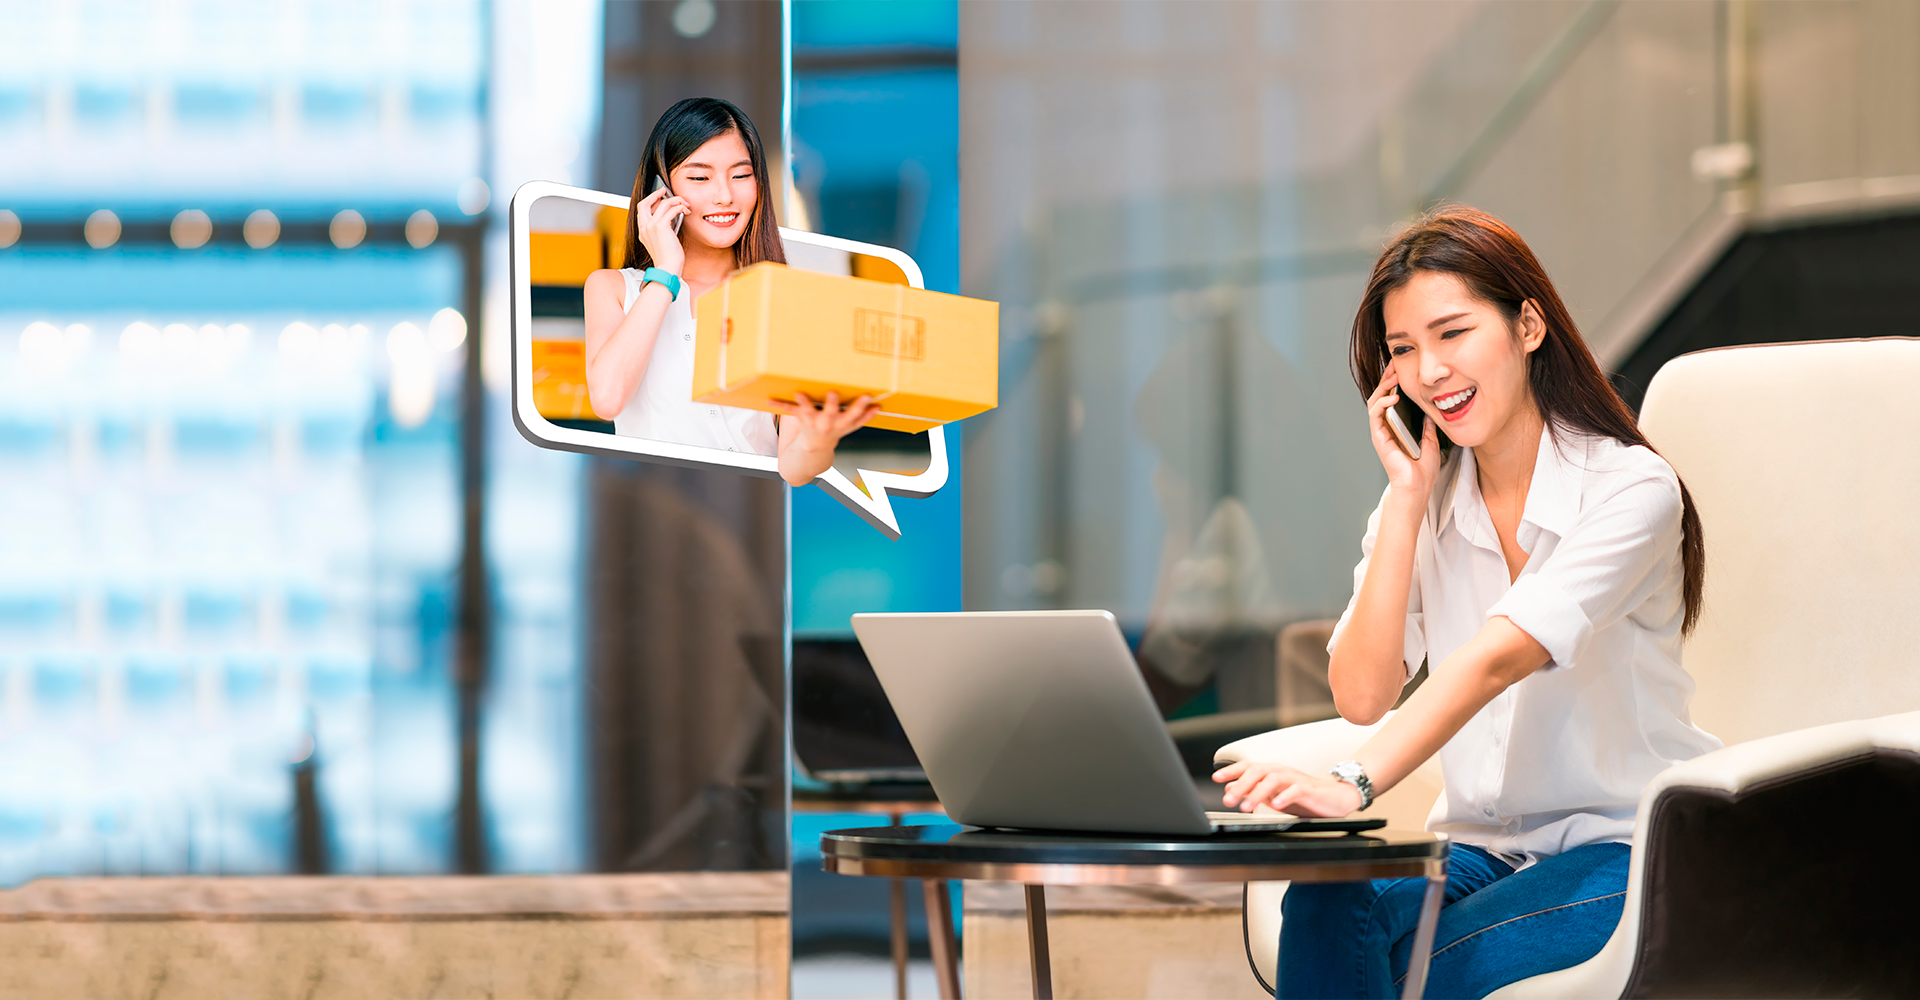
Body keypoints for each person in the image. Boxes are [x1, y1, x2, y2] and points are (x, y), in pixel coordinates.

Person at [1210, 207, 1722, 999]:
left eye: (1452, 333)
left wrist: (1354, 782)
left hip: (1626, 848)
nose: (1431, 371)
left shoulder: (1629, 489)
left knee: (1421, 974)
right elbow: (1363, 692)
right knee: (1328, 904)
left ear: (1527, 324)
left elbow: (1495, 658)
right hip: (1481, 852)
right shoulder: (1422, 499)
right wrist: (1408, 500)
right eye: (1404, 350)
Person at [583, 96, 877, 486]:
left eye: (741, 175)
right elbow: (607, 399)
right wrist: (666, 271)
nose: (724, 195)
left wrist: (820, 439)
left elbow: (793, 465)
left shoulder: (784, 301)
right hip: (655, 516)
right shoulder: (612, 289)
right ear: (661, 190)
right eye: (700, 177)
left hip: (750, 520)